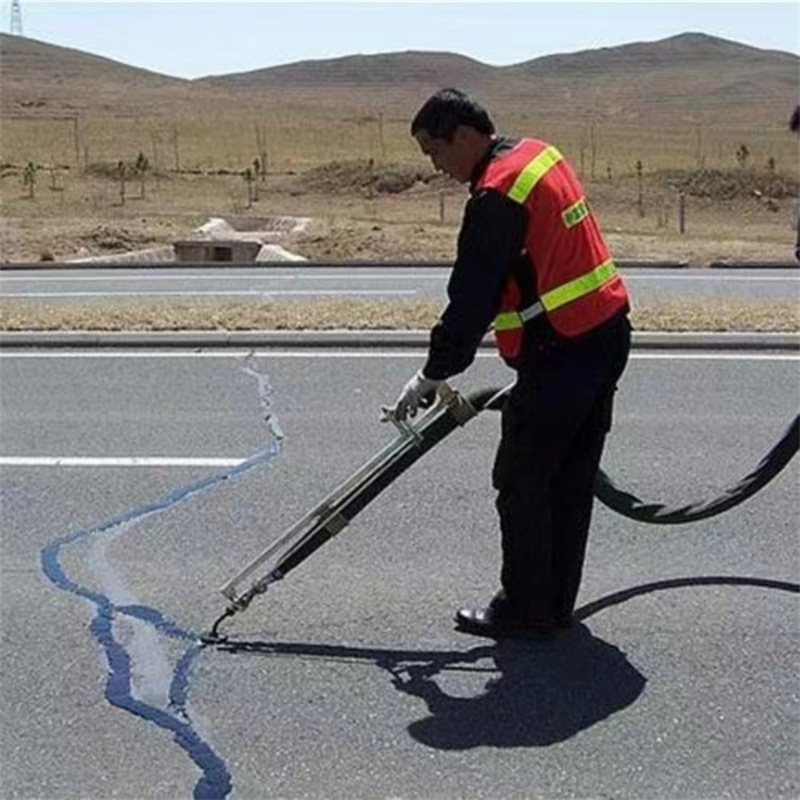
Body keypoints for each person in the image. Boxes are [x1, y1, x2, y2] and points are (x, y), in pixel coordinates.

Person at [382, 88, 632, 638]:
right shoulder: (539, 154)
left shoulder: (497, 196)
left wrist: (433, 373)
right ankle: (552, 603)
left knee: (522, 479)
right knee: (568, 477)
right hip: (606, 333)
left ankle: (524, 608)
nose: (436, 166)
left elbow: (472, 296)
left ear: (467, 137)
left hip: (563, 351)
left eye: (436, 151)